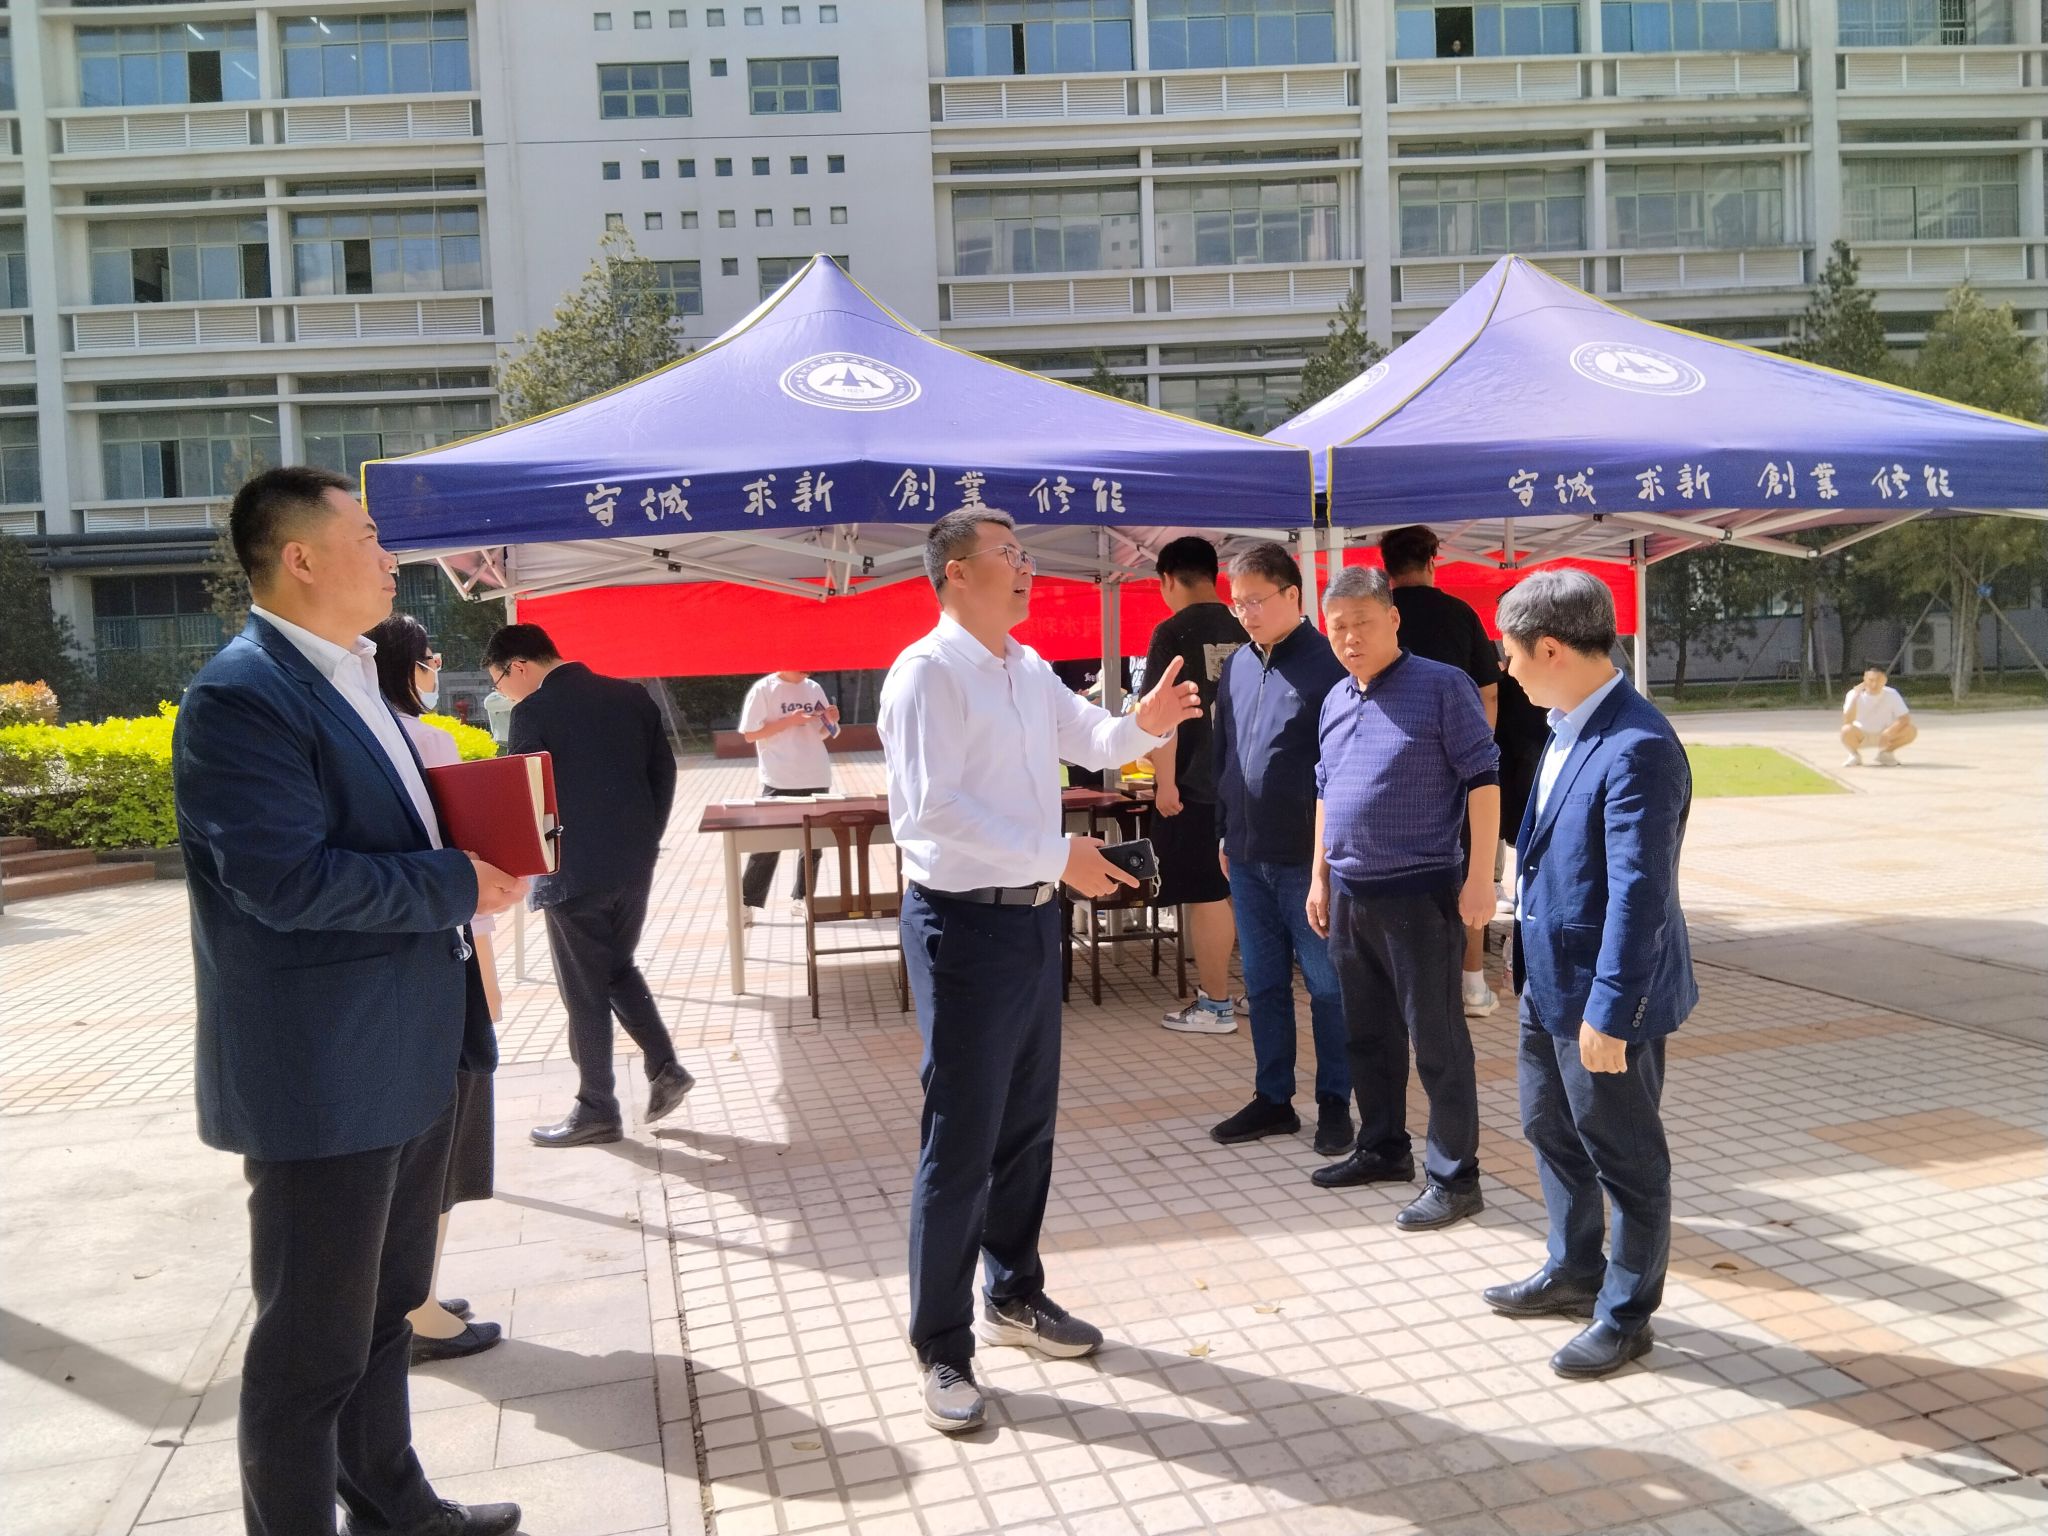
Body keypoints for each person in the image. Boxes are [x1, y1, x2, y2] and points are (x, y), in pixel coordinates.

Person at [173, 466, 523, 1536]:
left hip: (410, 1051)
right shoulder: (243, 695)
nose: (389, 557)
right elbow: (284, 881)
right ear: (300, 558)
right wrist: (456, 882)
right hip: (322, 1075)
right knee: (308, 1350)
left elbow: (382, 833)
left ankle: (396, 1508)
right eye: (368, 537)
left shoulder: (358, 676)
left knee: (379, 1319)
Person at [878, 506, 1201, 1435]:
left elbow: (1093, 739)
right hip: (962, 925)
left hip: (1028, 921)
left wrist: (1142, 725)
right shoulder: (926, 673)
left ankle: (1013, 1292)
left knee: (1025, 1126)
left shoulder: (1023, 666)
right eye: (1008, 554)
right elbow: (932, 812)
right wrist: (1060, 855)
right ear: (955, 572)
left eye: (1025, 553)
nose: (1026, 567)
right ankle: (942, 1344)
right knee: (962, 1139)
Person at [1484, 568, 1697, 1380]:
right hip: (1548, 982)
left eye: (1509, 653)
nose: (1504, 667)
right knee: (1550, 1129)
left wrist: (1611, 1011)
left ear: (1550, 648)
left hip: (1604, 998)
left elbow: (1641, 894)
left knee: (1627, 1158)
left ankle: (1626, 1314)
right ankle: (1574, 1268)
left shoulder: (1638, 745)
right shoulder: (1566, 724)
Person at [1308, 565, 1500, 1232]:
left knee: (1437, 1041)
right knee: (1367, 1035)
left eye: (1362, 623)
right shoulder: (1335, 699)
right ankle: (1383, 1147)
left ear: (1392, 619)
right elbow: (1326, 791)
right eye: (1338, 627)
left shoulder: (1443, 685)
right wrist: (1319, 877)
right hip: (1350, 894)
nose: (1351, 638)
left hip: (1421, 893)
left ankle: (1455, 1178)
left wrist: (1481, 876)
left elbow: (1483, 778)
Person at [483, 623, 694, 1148]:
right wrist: (645, 840)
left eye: (499, 682)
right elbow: (663, 775)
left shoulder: (533, 712)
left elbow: (525, 795)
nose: (503, 693)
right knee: (614, 968)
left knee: (584, 989)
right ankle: (665, 1067)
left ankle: (597, 1108)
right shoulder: (631, 697)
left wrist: (520, 864)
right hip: (634, 864)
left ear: (519, 665)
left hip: (572, 870)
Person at [366, 614, 505, 1367]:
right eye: (432, 658)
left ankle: (408, 1297)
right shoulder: (426, 741)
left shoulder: (352, 730)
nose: (437, 668)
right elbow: (467, 867)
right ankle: (415, 1308)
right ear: (410, 666)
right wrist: (487, 970)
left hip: (383, 977)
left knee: (409, 1153)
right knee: (441, 1150)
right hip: (448, 954)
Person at [1207, 542, 1354, 1156]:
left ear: (1294, 595)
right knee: (1263, 983)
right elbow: (1224, 753)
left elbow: (1343, 772)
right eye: (1237, 604)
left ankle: (1335, 1102)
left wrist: (1328, 863)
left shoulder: (1330, 666)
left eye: (1256, 601)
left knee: (1327, 985)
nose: (1245, 614)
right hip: (1246, 854)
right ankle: (1274, 1098)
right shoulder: (1238, 666)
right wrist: (1224, 829)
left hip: (1307, 860)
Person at [1380, 525, 1503, 1018]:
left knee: (1394, 876)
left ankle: (1404, 983)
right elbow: (1489, 693)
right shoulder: (1460, 614)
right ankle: (1471, 982)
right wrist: (1475, 749)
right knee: (1467, 871)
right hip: (1457, 770)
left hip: (1388, 773)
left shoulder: (1376, 617)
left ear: (1386, 567)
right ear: (1433, 560)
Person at [1145, 536, 1249, 1034]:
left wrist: (1165, 783)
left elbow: (1160, 718)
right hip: (1250, 787)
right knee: (1242, 892)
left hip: (1197, 786)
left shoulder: (1172, 632)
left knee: (1207, 893)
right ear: (1216, 575)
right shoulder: (1247, 625)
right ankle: (1256, 993)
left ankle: (1215, 1004)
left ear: (1168, 580)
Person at [737, 667, 840, 925]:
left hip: (816, 775)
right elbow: (750, 734)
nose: (808, 668)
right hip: (779, 777)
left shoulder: (814, 688)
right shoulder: (764, 689)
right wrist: (789, 721)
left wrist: (831, 720)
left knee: (812, 844)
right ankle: (746, 902)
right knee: (767, 844)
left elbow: (821, 733)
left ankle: (802, 898)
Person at [1842, 666, 1916, 766]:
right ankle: (1854, 755)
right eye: (1871, 680)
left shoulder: (1892, 694)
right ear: (1865, 679)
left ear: (1885, 680)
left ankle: (1886, 754)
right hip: (1861, 735)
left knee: (1910, 730)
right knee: (1846, 730)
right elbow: (1847, 721)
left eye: (1878, 680)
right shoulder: (1852, 694)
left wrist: (1889, 732)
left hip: (1886, 736)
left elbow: (1904, 718)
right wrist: (1855, 698)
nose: (1874, 684)